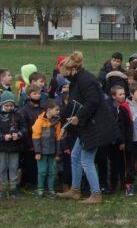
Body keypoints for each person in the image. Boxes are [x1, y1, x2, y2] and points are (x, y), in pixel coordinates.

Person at [56, 52, 118, 204]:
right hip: (87, 125)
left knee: (86, 160)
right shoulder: (77, 80)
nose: (64, 77)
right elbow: (74, 105)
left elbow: (93, 101)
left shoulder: (85, 80)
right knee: (75, 156)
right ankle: (75, 190)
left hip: (95, 127)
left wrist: (78, 117)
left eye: (65, 74)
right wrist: (67, 126)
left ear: (73, 69)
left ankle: (96, 194)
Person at [0, 91, 27, 199]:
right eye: (7, 105)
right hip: (1, 145)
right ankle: (3, 188)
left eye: (11, 105)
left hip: (15, 145)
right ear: (2, 104)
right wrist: (2, 136)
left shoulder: (18, 113)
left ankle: (13, 187)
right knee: (2, 167)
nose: (9, 107)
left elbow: (24, 127)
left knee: (13, 166)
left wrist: (19, 134)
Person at [31, 99, 63, 199]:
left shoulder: (57, 122)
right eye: (56, 110)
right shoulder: (39, 121)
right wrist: (37, 151)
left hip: (52, 152)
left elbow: (58, 138)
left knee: (52, 171)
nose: (58, 112)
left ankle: (51, 190)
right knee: (42, 171)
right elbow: (36, 137)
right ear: (49, 110)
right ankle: (40, 189)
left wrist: (58, 153)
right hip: (42, 152)